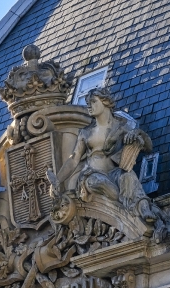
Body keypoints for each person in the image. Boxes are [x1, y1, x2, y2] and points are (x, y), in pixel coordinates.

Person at [50, 87, 156, 222]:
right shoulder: (86, 132)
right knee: (102, 183)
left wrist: (137, 133)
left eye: (93, 101)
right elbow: (74, 159)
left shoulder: (121, 126)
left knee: (129, 177)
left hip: (114, 173)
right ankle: (128, 212)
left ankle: (144, 209)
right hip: (91, 175)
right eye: (88, 102)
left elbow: (148, 147)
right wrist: (57, 180)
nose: (89, 105)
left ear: (105, 102)